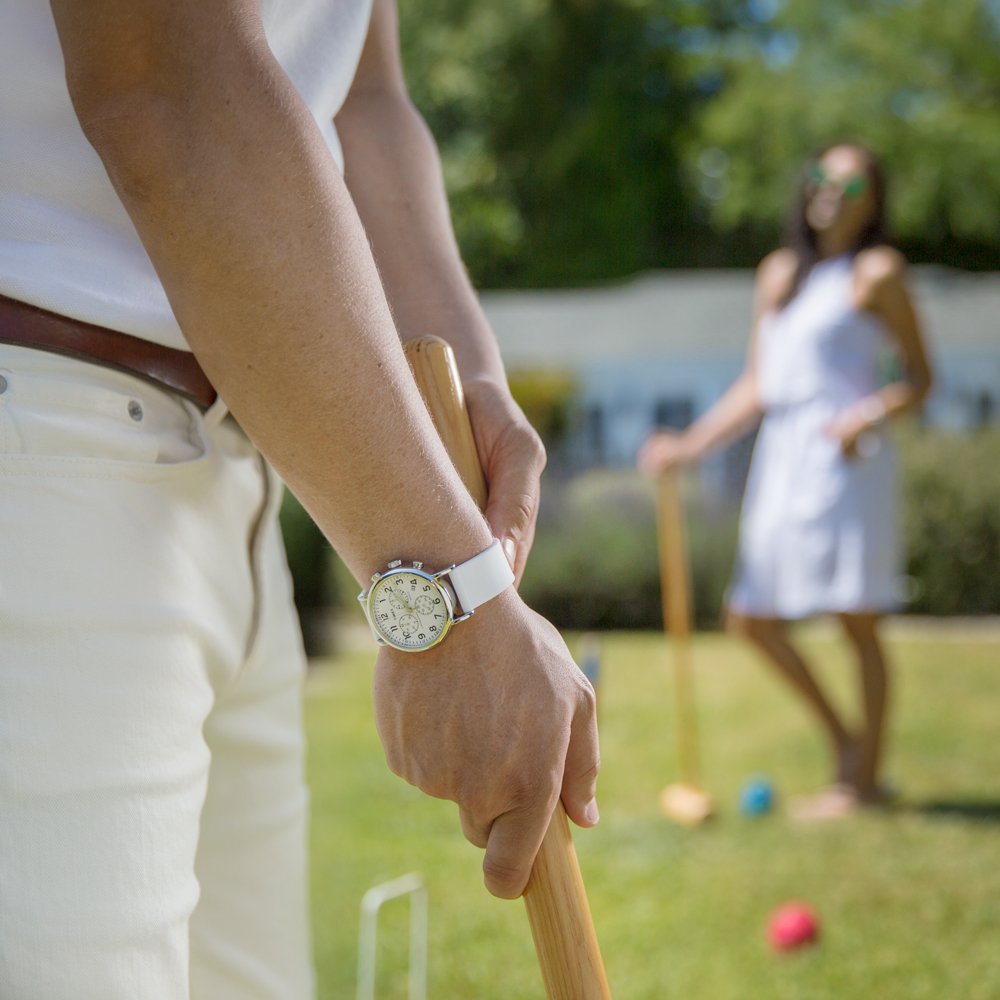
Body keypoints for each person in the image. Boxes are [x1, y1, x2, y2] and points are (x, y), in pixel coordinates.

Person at [0, 1, 600, 996]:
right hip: (41, 450)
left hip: (238, 469)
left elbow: (364, 104)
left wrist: (466, 372)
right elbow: (162, 74)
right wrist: (443, 593)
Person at [639, 142, 933, 819]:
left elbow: (921, 377)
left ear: (873, 197)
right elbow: (757, 385)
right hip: (784, 455)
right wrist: (688, 445)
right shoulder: (778, 275)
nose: (830, 190)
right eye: (818, 177)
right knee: (750, 617)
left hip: (848, 460)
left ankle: (859, 784)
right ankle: (848, 745)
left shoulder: (877, 273)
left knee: (856, 618)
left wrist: (870, 413)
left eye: (850, 181)